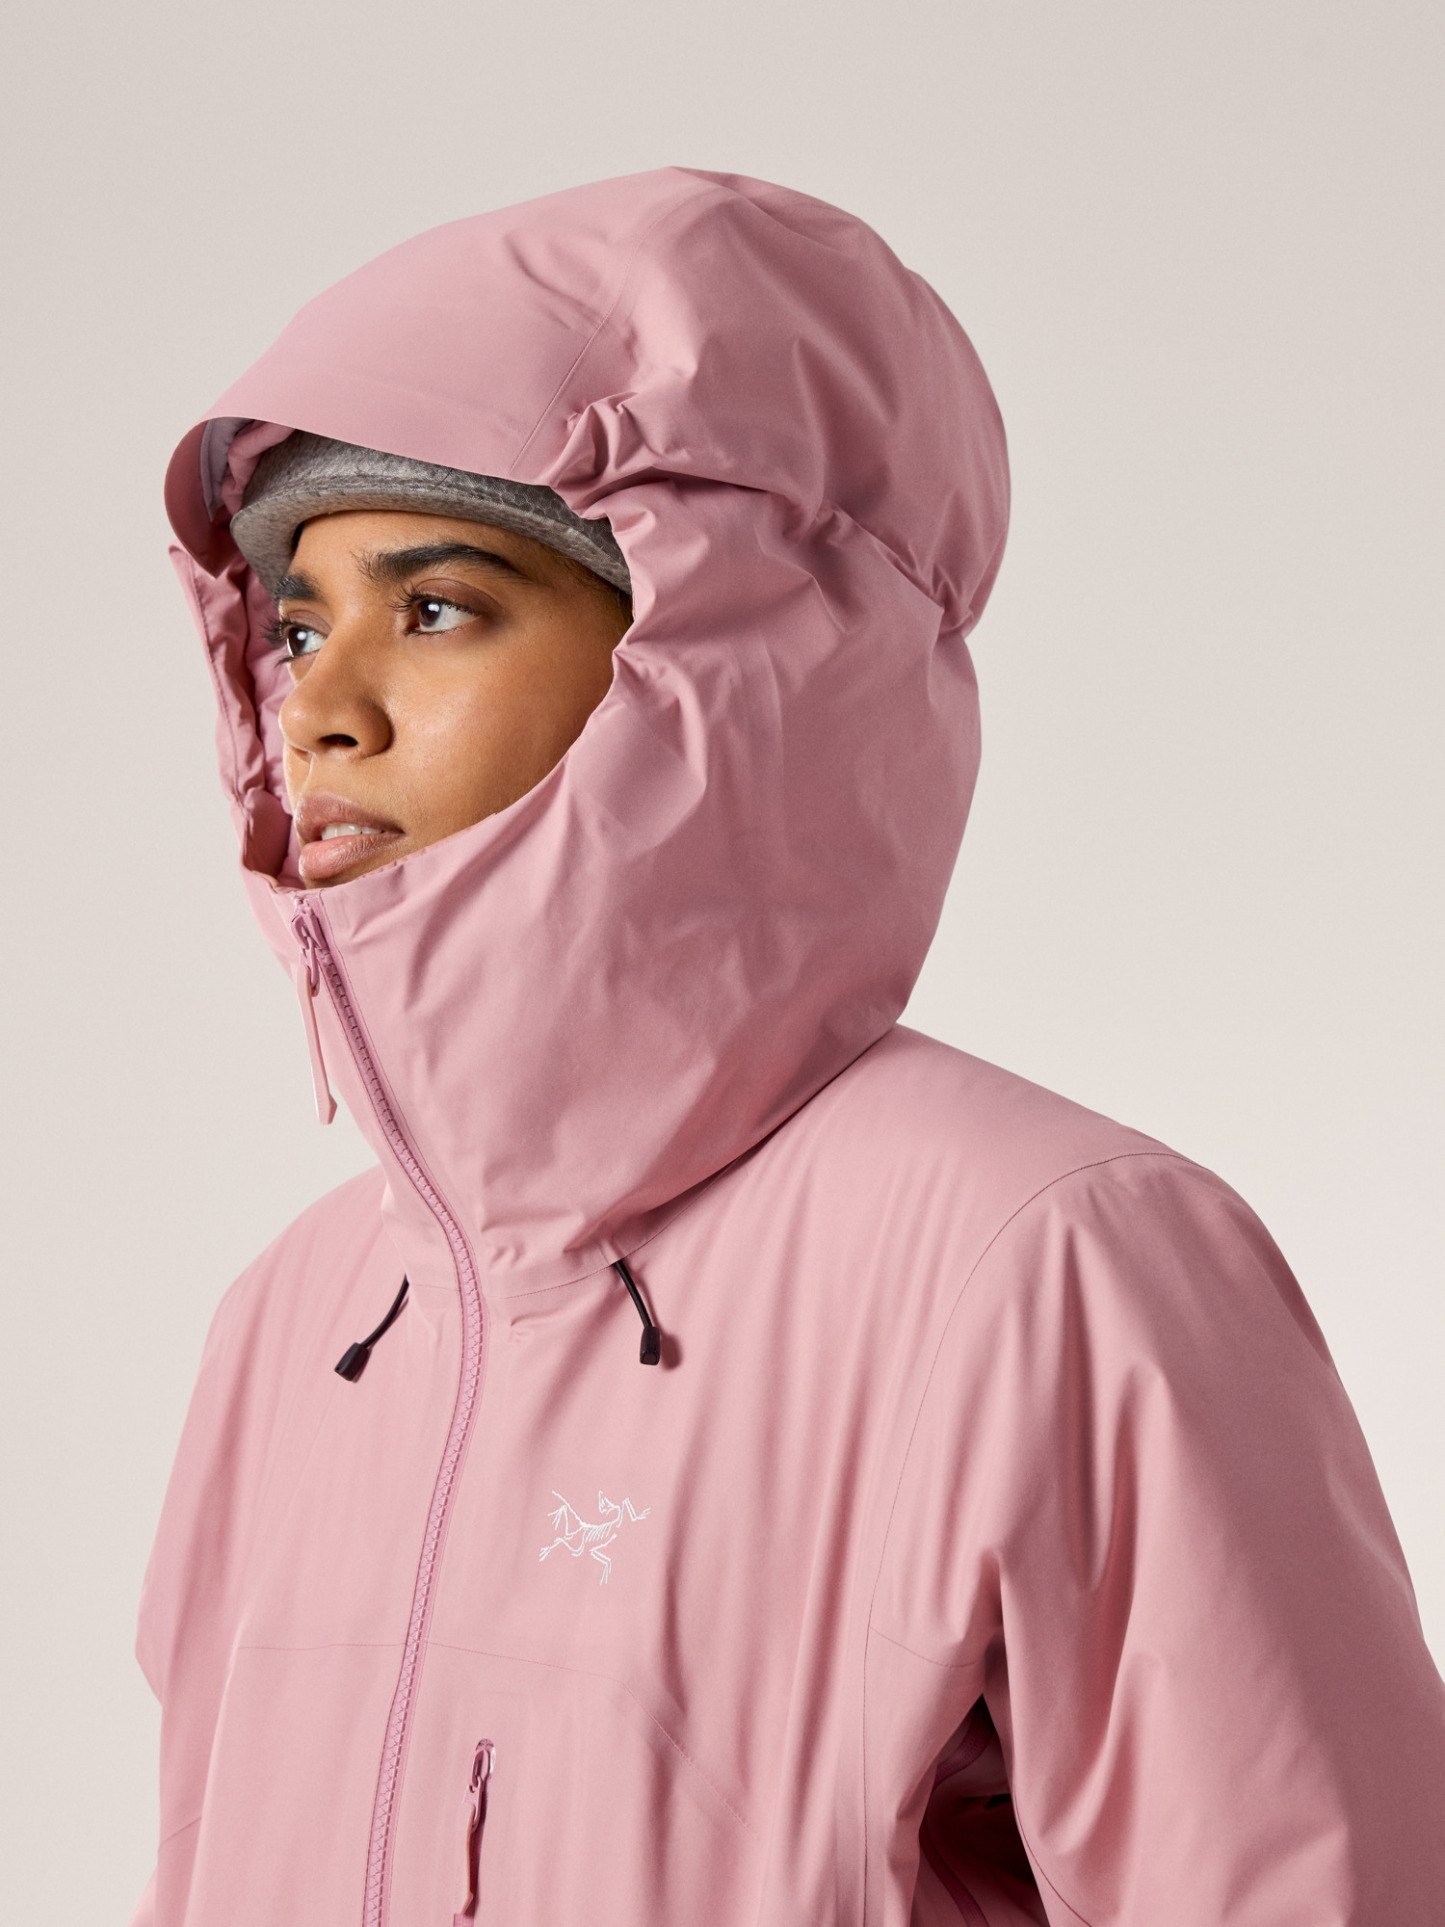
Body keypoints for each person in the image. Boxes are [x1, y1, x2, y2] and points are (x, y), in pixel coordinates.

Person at [134, 168, 1445, 1927]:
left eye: (437, 606)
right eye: (296, 626)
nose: (318, 709)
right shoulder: (297, 1319)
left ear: (714, 655)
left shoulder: (1043, 1261)